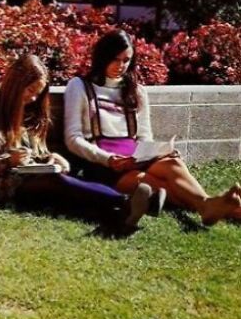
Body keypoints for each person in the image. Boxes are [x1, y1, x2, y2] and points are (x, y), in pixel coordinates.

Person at [0, 54, 161, 233]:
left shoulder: (29, 113)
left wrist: (51, 157)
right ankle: (127, 202)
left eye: (38, 94)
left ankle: (121, 214)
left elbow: (35, 155)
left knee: (64, 188)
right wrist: (8, 161)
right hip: (1, 185)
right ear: (15, 85)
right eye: (31, 91)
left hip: (33, 176)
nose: (33, 98)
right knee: (57, 183)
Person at [64, 29, 241, 226]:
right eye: (115, 59)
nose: (121, 66)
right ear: (102, 57)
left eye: (126, 60)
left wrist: (152, 153)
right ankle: (227, 209)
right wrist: (108, 159)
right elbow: (73, 138)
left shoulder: (136, 90)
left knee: (173, 163)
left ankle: (211, 206)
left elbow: (144, 135)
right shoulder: (79, 86)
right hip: (103, 165)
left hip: (135, 158)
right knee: (158, 184)